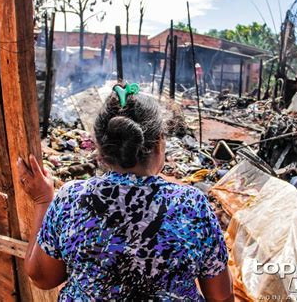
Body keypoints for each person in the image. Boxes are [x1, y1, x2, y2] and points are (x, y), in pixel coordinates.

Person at [17, 84, 233, 301]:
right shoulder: (192, 206)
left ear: (100, 150)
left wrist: (43, 200)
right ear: (159, 144)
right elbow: (221, 296)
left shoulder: (71, 200)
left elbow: (42, 277)